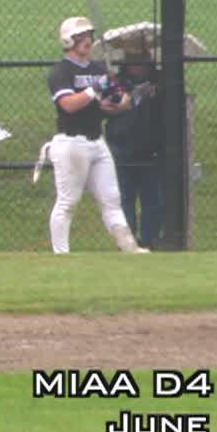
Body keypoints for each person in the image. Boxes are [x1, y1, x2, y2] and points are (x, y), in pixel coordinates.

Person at [45, 16, 149, 254]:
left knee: (112, 199)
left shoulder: (98, 69)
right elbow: (68, 105)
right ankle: (61, 254)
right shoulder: (61, 72)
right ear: (68, 40)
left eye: (89, 35)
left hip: (96, 141)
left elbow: (114, 103)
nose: (88, 40)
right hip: (71, 142)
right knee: (68, 202)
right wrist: (95, 89)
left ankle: (130, 248)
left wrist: (119, 99)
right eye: (81, 36)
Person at [102, 50, 165, 249]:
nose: (137, 66)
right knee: (124, 199)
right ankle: (127, 243)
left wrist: (157, 92)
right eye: (132, 62)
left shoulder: (161, 83)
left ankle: (149, 241)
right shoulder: (116, 83)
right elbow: (104, 108)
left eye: (141, 62)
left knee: (153, 200)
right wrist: (120, 98)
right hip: (121, 147)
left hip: (152, 149)